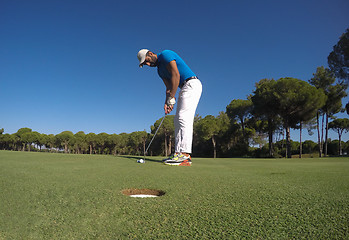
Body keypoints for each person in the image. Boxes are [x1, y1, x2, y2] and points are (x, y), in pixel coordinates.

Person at [137, 49, 202, 166]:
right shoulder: (159, 71)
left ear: (150, 54)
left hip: (192, 84)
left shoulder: (165, 54)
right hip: (183, 88)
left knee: (184, 118)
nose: (147, 64)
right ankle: (178, 153)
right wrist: (167, 102)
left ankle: (185, 155)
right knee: (177, 121)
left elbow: (176, 75)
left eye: (146, 61)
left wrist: (172, 98)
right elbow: (168, 88)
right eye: (145, 64)